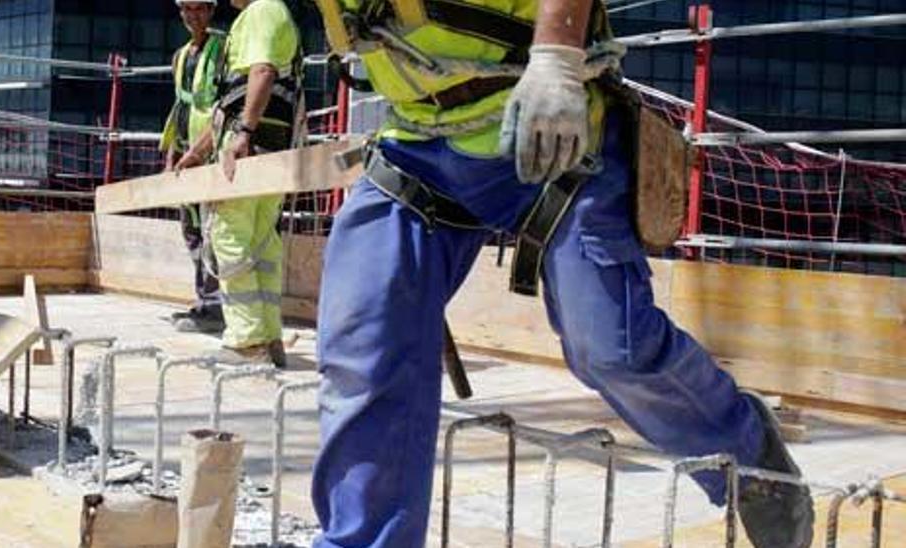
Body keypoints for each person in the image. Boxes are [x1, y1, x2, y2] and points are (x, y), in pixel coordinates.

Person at [307, 1, 815, 547]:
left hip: (554, 129)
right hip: (416, 144)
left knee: (609, 348)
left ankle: (746, 448)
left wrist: (555, 56)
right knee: (365, 345)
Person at [175, 0, 303, 368]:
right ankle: (267, 336)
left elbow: (262, 72)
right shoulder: (269, 12)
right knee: (262, 243)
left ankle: (245, 342)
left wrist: (243, 133)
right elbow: (228, 101)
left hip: (250, 146)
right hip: (271, 146)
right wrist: (199, 151)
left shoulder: (262, 10)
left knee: (230, 237)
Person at [160, 0, 227, 335]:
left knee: (213, 229)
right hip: (188, 152)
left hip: (211, 152)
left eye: (199, 8)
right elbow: (180, 106)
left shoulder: (222, 48)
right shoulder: (181, 56)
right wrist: (172, 152)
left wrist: (203, 150)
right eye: (187, 9)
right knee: (192, 229)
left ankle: (215, 306)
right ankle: (204, 299)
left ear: (211, 10)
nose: (193, 15)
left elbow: (224, 105)